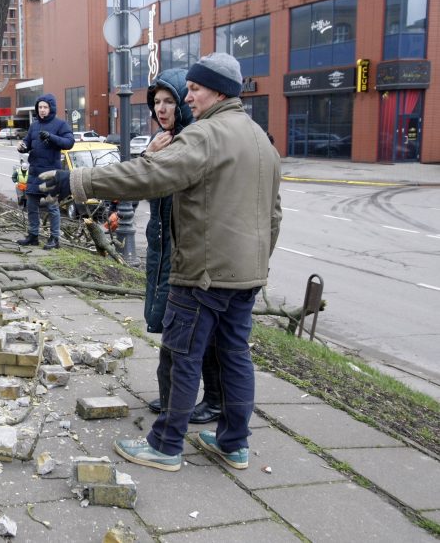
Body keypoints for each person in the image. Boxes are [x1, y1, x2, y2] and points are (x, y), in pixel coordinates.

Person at [39, 53, 282, 472]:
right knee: (236, 356)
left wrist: (77, 180)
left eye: (195, 89)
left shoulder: (206, 135)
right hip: (247, 276)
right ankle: (234, 443)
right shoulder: (261, 140)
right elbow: (274, 215)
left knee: (182, 354)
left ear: (219, 91)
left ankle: (167, 445)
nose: (189, 96)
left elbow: (149, 174)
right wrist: (255, 264)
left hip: (202, 274)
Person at [143, 69, 222, 425]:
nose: (161, 109)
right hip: (166, 251)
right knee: (179, 332)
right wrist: (151, 155)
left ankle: (187, 406)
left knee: (191, 336)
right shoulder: (165, 140)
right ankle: (173, 400)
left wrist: (151, 161)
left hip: (189, 255)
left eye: (169, 101)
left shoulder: (192, 142)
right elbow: (150, 192)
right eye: (156, 102)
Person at [16, 94, 74, 250]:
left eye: (45, 107)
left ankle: (55, 238)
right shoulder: (34, 125)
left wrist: (52, 137)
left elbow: (69, 143)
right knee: (31, 206)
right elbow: (28, 141)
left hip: (51, 172)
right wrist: (23, 146)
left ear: (51, 108)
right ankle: (33, 236)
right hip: (34, 171)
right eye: (40, 107)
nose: (42, 110)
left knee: (52, 207)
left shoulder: (61, 124)